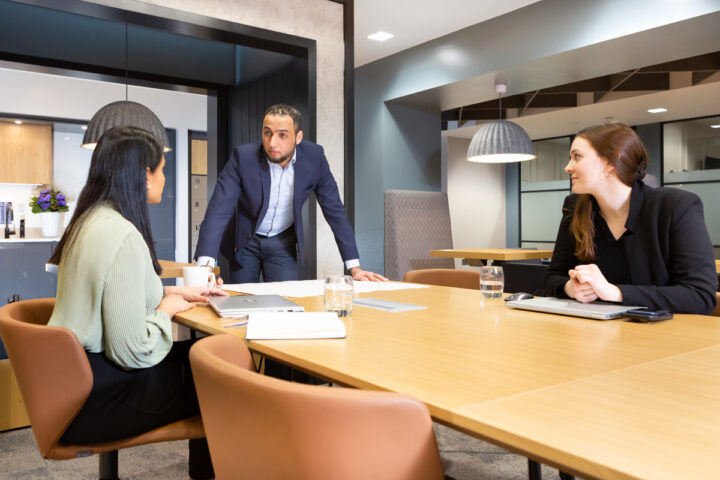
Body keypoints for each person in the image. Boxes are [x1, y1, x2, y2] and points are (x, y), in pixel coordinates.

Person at [47, 126, 226, 479]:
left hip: (69, 384)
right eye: (161, 168)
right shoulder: (124, 236)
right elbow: (132, 350)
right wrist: (166, 310)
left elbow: (110, 296)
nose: (164, 177)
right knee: (223, 377)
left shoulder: (88, 222)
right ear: (145, 174)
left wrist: (172, 294)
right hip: (96, 398)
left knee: (204, 360)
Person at [195, 104, 386, 283]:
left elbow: (334, 210)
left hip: (281, 242)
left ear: (298, 137)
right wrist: (204, 267)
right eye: (267, 133)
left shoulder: (314, 158)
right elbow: (218, 211)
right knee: (241, 305)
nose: (272, 143)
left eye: (283, 135)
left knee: (285, 305)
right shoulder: (243, 158)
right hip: (245, 241)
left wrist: (355, 268)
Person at [545, 122, 717, 314]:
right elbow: (553, 278)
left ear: (610, 162)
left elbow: (701, 296)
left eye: (577, 157)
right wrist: (571, 288)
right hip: (593, 335)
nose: (568, 167)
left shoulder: (676, 206)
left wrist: (614, 292)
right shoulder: (574, 207)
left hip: (662, 337)